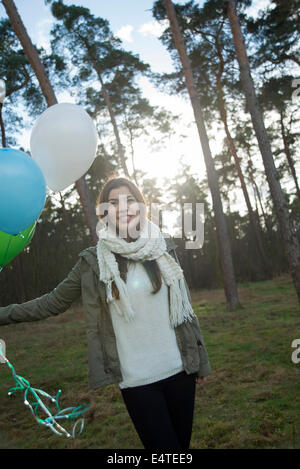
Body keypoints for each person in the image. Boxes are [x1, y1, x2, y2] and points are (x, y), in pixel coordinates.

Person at [0, 175, 211, 450]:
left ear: (141, 206)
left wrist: (201, 360)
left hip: (180, 371)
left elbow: (186, 310)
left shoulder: (163, 246)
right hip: (138, 381)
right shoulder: (92, 262)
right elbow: (51, 303)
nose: (123, 207)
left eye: (130, 200)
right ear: (104, 212)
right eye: (113, 203)